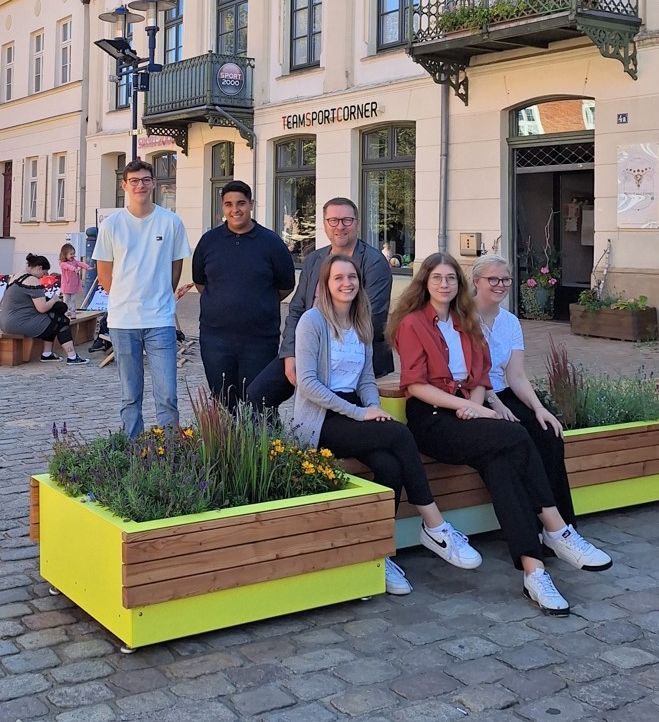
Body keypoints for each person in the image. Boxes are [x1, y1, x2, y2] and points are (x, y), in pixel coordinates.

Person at [388, 253, 610, 616]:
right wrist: (471, 409)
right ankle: (557, 529)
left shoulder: (466, 321)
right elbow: (414, 385)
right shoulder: (414, 323)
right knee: (516, 435)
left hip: (466, 412)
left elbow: (480, 376)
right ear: (425, 283)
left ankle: (534, 572)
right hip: (433, 420)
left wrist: (475, 406)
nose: (444, 284)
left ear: (460, 284)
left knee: (503, 465)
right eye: (437, 278)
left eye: (450, 278)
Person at [293, 253, 482, 596]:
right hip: (321, 418)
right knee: (400, 434)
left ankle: (379, 555)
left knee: (390, 466)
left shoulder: (362, 322)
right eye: (338, 278)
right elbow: (307, 385)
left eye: (352, 277)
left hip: (355, 412)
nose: (347, 283)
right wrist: (361, 414)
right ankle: (435, 525)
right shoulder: (312, 321)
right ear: (326, 284)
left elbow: (366, 379)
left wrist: (374, 409)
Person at [472, 252, 610, 572]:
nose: (500, 285)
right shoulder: (463, 318)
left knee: (548, 433)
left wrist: (538, 408)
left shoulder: (510, 322)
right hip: (475, 395)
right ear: (476, 282)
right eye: (493, 279)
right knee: (517, 439)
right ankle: (540, 525)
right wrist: (495, 403)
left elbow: (516, 375)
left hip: (504, 391)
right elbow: (470, 372)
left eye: (505, 279)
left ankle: (561, 530)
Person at [248, 197, 393, 414]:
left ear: (357, 223)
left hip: (350, 353)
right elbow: (297, 309)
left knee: (332, 410)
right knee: (259, 394)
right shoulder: (315, 259)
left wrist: (322, 353)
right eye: (333, 220)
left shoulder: (374, 263)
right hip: (309, 346)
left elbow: (371, 316)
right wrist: (290, 353)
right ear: (324, 224)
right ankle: (278, 437)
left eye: (347, 220)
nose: (340, 226)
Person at [92, 159, 193, 438]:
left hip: (160, 319)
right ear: (124, 185)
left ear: (154, 184)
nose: (140, 185)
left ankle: (170, 450)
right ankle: (133, 448)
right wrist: (124, 297)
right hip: (123, 321)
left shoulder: (170, 222)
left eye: (146, 180)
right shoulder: (112, 225)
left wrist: (161, 295)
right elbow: (104, 272)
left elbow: (175, 267)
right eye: (134, 181)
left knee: (167, 394)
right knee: (130, 395)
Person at [192, 181, 295, 412]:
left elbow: (286, 286)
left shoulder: (271, 243)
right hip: (215, 340)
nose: (235, 209)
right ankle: (227, 437)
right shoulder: (209, 241)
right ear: (222, 207)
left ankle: (261, 438)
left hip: (259, 340)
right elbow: (201, 283)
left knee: (258, 404)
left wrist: (257, 302)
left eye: (241, 203)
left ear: (251, 204)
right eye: (228, 204)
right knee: (222, 403)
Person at [0, 254, 88, 365]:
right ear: (39, 268)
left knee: (52, 318)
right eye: (44, 273)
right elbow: (42, 308)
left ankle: (47, 354)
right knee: (61, 321)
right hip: (18, 322)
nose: (43, 277)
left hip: (6, 321)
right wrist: (54, 299)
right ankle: (72, 357)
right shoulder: (32, 280)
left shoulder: (17, 275)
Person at [58, 243, 92, 319]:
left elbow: (80, 263)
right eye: (71, 254)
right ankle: (65, 313)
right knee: (66, 300)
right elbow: (68, 267)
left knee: (73, 299)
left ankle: (73, 312)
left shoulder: (74, 261)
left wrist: (87, 267)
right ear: (65, 254)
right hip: (66, 285)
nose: (73, 255)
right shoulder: (63, 263)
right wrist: (74, 269)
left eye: (73, 253)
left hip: (74, 285)